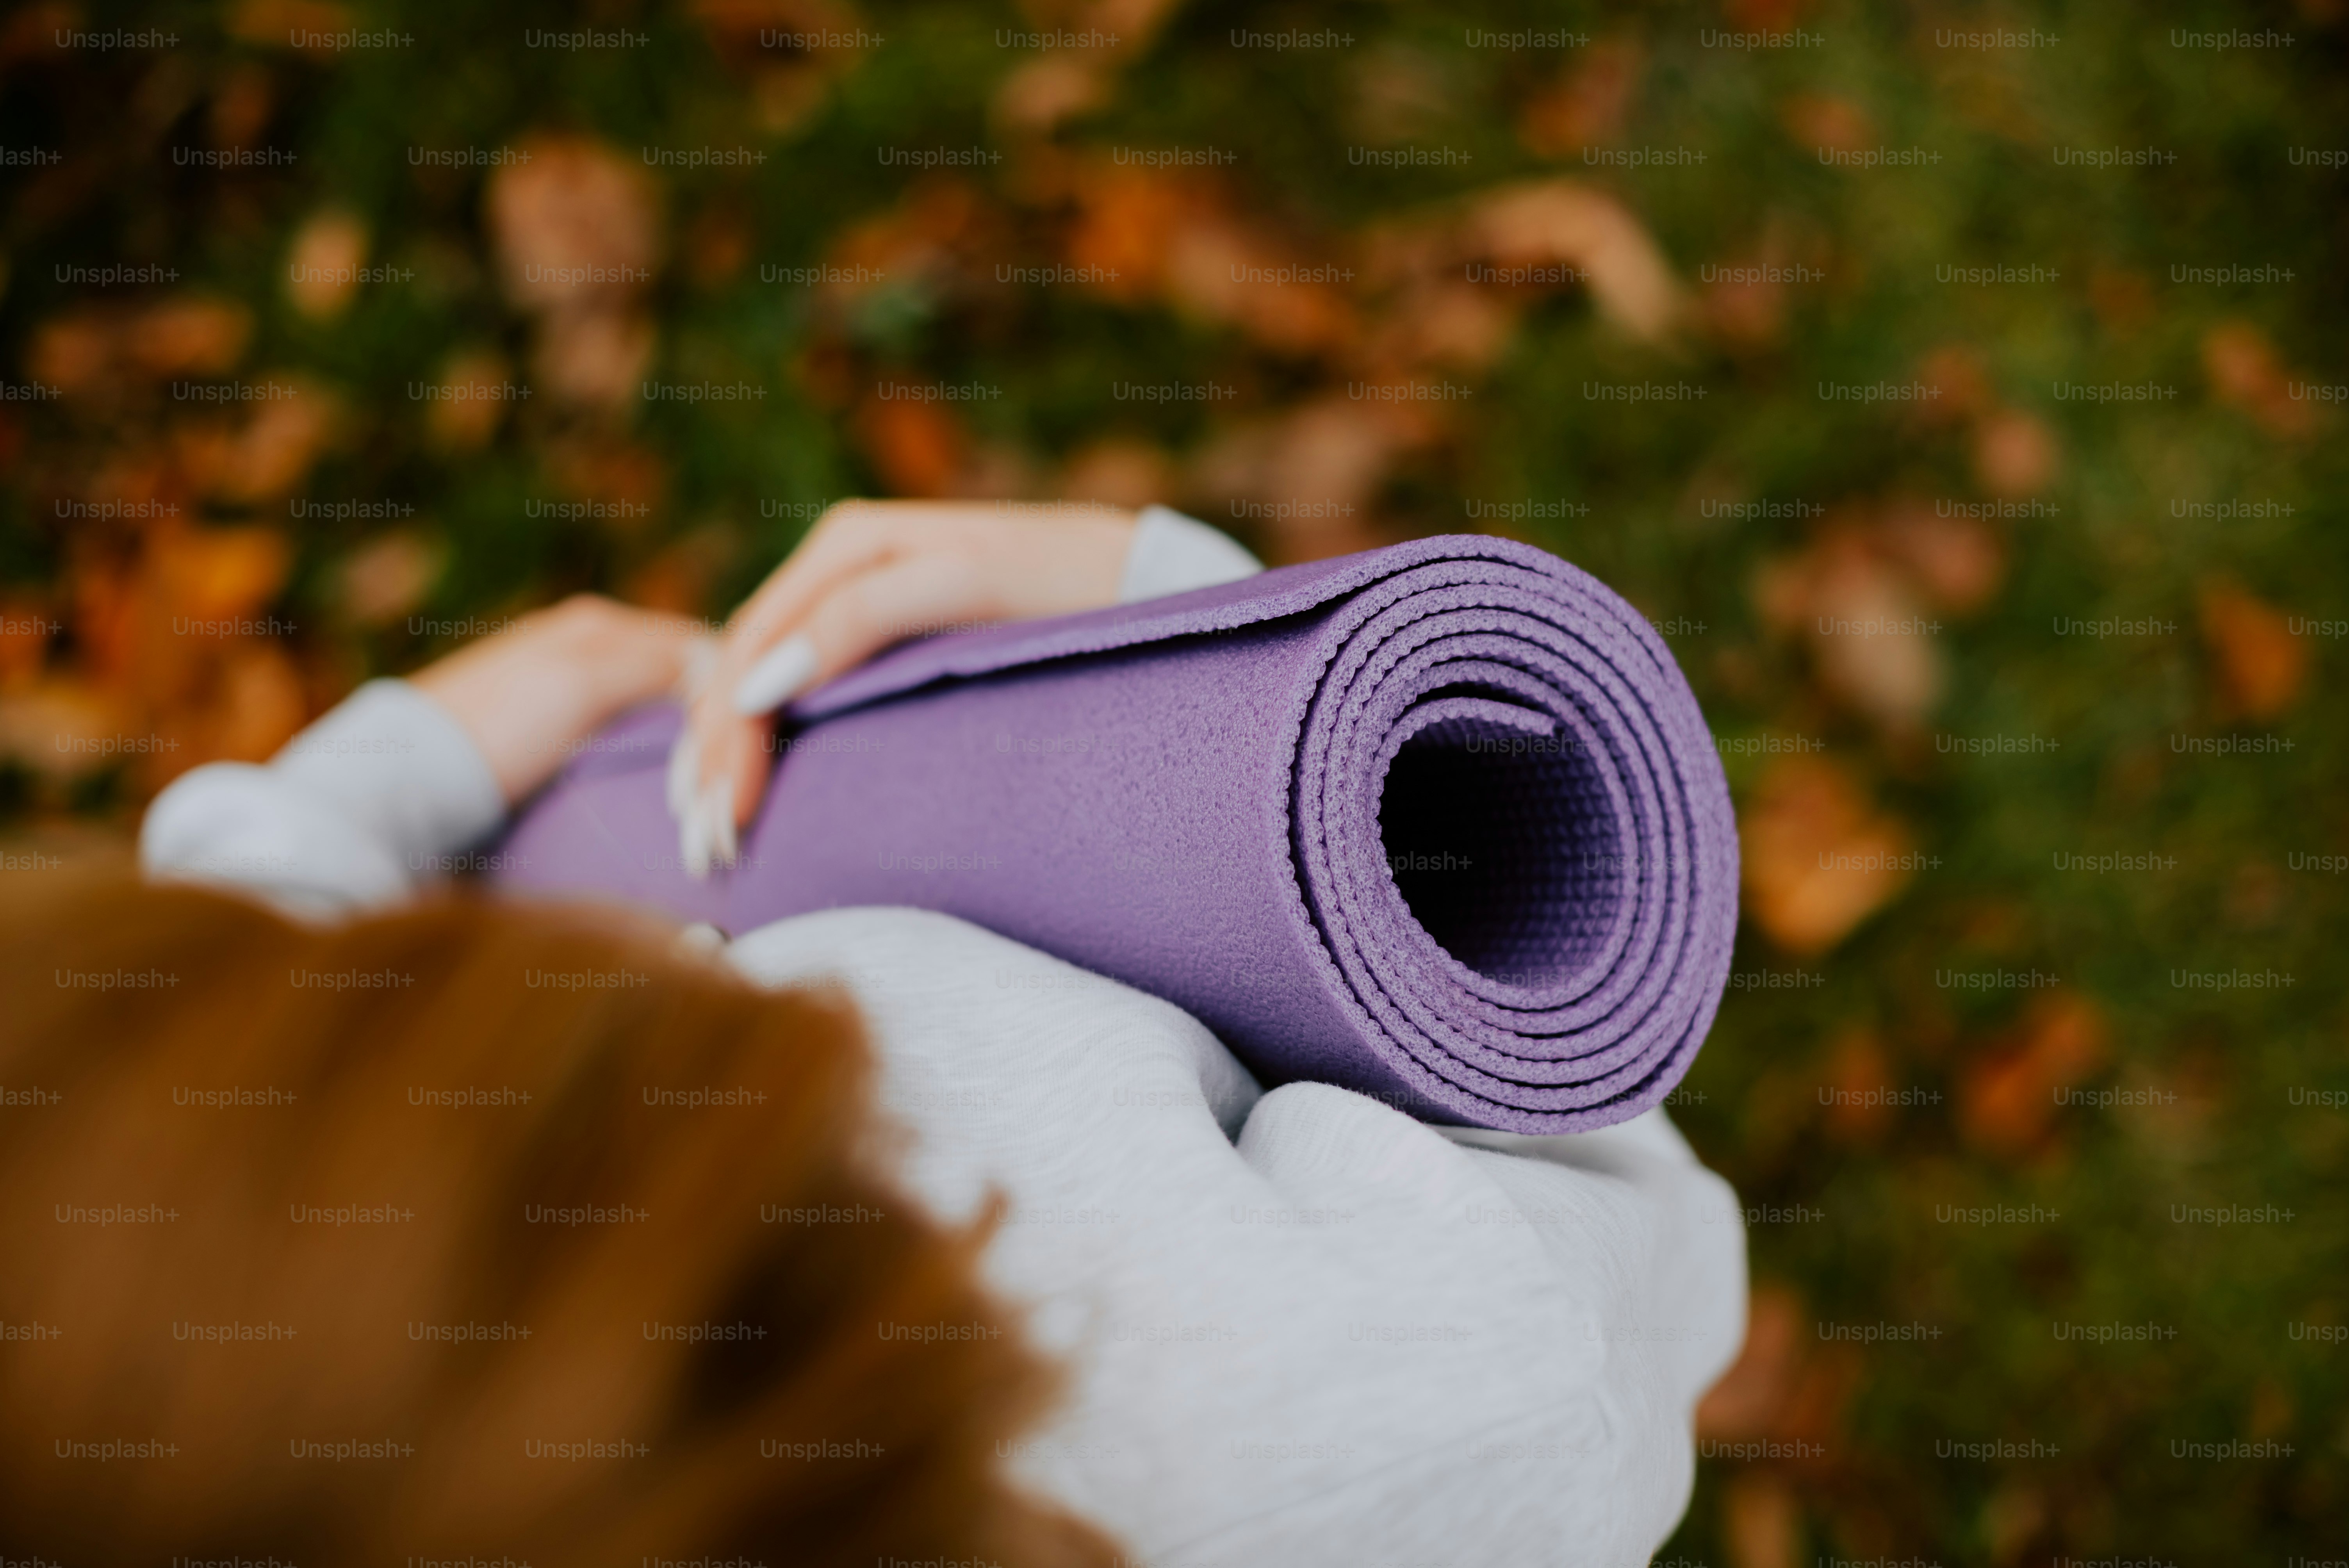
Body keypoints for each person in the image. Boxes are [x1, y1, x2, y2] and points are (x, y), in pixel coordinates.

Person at [123, 501, 1748, 1565]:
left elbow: (184, 1144)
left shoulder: (219, 1384)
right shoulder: (1327, 1444)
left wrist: (356, 804)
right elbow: (1610, 1213)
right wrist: (1191, 634)